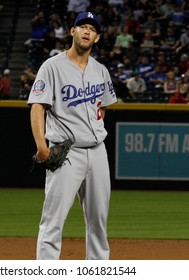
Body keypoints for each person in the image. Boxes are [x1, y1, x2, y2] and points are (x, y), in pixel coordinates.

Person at [27, 11, 117, 260]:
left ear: (97, 38)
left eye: (92, 29)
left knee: (99, 223)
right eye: (82, 26)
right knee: (53, 221)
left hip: (97, 152)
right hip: (66, 154)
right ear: (72, 32)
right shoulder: (52, 67)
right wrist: (42, 146)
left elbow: (103, 108)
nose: (87, 31)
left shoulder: (101, 71)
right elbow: (37, 106)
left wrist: (93, 133)